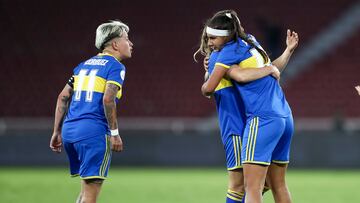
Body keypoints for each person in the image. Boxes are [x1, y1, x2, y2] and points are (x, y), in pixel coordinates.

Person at [200, 10, 298, 203]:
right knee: (276, 184)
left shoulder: (225, 53)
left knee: (250, 187)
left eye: (212, 37)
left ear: (226, 35)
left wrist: (208, 76)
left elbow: (210, 88)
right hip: (285, 115)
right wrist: (283, 56)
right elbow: (267, 70)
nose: (209, 43)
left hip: (258, 118)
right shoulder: (252, 43)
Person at [49, 20, 133, 203]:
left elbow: (63, 96)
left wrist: (56, 131)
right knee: (90, 196)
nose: (131, 43)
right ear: (115, 44)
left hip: (70, 131)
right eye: (127, 39)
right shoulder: (115, 67)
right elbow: (108, 99)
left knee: (85, 192)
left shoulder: (82, 66)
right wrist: (115, 133)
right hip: (92, 132)